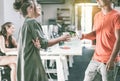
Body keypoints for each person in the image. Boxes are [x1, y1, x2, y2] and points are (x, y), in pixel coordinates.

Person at [13, 0, 70, 81]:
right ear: (30, 9)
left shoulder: (25, 23)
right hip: (32, 64)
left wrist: (38, 46)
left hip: (25, 64)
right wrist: (62, 38)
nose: (39, 7)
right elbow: (44, 44)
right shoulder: (32, 22)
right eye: (37, 5)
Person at [81, 0, 120, 81]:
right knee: (87, 76)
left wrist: (112, 59)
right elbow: (96, 34)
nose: (97, 0)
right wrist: (83, 36)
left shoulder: (117, 16)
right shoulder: (97, 16)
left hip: (108, 60)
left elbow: (119, 39)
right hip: (95, 58)